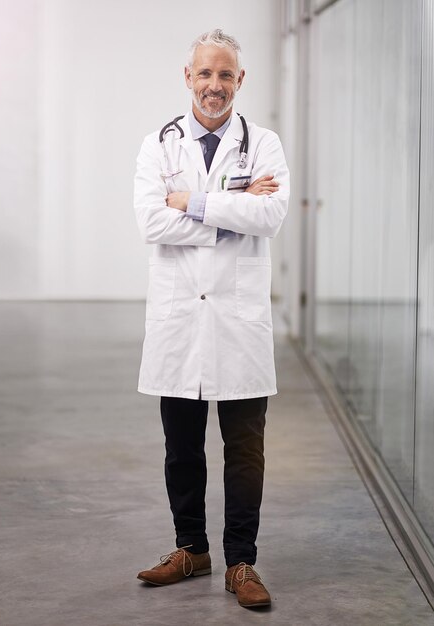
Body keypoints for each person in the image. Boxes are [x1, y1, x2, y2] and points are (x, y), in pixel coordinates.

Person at [133, 29, 289, 609]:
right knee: (182, 446)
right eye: (205, 74)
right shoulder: (159, 146)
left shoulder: (264, 143)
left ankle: (241, 561)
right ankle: (191, 549)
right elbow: (152, 223)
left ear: (240, 81)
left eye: (226, 75)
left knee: (244, 447)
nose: (215, 86)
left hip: (238, 319)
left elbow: (270, 214)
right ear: (188, 76)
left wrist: (194, 203)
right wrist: (232, 209)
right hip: (180, 318)